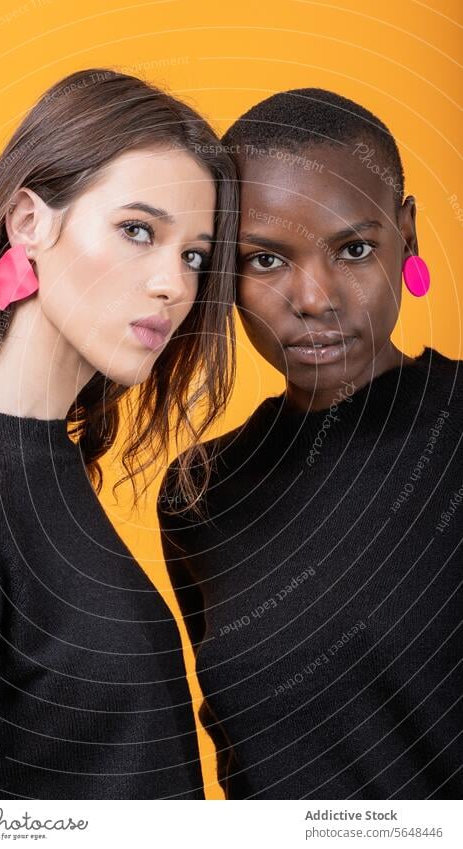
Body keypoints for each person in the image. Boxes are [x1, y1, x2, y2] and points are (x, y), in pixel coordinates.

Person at [0, 68, 238, 799]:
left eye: (193, 254)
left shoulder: (45, 459)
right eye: (138, 231)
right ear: (29, 222)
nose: (174, 284)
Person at [158, 89, 462, 799]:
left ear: (407, 234)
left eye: (353, 249)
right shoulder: (201, 490)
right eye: (265, 261)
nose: (315, 297)